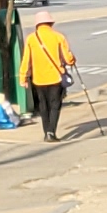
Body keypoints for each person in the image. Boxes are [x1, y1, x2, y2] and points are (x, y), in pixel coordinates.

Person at [21, 8, 77, 140]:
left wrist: (23, 77)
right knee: (55, 105)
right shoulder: (58, 37)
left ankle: (46, 132)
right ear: (50, 23)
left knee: (43, 105)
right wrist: (72, 59)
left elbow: (26, 60)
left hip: (38, 79)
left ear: (37, 24)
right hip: (55, 77)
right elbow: (68, 59)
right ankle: (51, 132)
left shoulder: (31, 39)